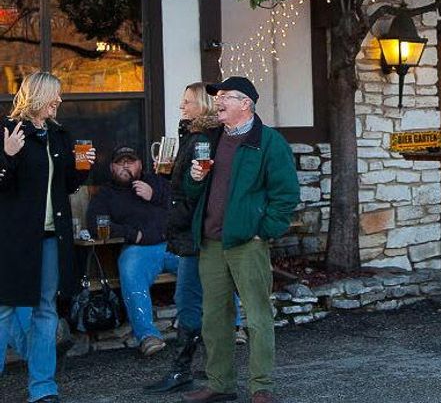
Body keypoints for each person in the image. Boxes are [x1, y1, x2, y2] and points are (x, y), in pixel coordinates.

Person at [183, 77, 299, 403]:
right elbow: (195, 192)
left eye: (224, 97)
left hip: (247, 243)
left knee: (258, 316)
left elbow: (286, 194)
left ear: (245, 103)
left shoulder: (269, 142)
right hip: (211, 242)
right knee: (214, 317)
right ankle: (220, 384)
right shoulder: (211, 140)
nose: (217, 102)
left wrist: (265, 230)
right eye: (216, 97)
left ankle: (261, 387)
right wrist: (195, 180)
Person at [0, 71, 92, 403]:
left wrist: (82, 170)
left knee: (45, 307)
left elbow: (66, 185)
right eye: (56, 95)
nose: (61, 101)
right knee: (5, 307)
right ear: (40, 96)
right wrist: (7, 156)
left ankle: (42, 388)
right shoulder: (8, 131)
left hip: (53, 236)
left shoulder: (58, 135)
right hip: (13, 238)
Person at [144, 83, 222, 393]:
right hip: (187, 231)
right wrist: (168, 173)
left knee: (189, 300)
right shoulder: (193, 136)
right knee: (197, 300)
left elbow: (199, 186)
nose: (182, 106)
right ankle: (204, 367)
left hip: (194, 232)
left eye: (188, 102)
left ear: (202, 106)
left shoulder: (201, 140)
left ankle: (182, 370)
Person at [86, 145, 177, 356]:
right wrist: (131, 233)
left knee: (206, 264)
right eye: (120, 162)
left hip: (172, 245)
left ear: (140, 164)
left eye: (130, 161)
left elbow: (179, 207)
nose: (125, 166)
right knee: (130, 270)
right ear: (112, 167)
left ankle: (232, 325)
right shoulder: (106, 194)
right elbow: (95, 223)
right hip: (139, 248)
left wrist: (153, 195)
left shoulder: (156, 182)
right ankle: (148, 336)